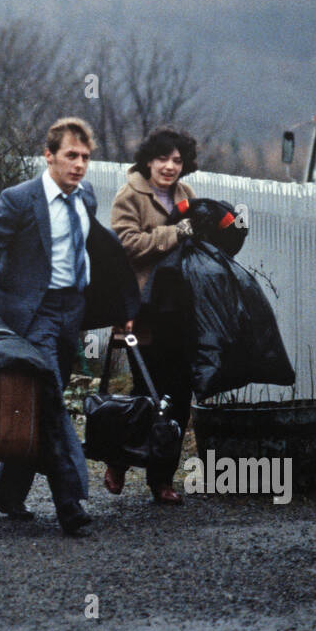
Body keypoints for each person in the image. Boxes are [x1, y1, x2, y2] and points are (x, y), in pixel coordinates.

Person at [0, 117, 137, 536]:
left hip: (70, 312)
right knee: (53, 404)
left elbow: (98, 251)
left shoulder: (87, 197)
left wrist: (120, 306)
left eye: (85, 157)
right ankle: (70, 502)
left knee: (42, 400)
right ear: (49, 156)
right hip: (30, 314)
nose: (78, 165)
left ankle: (9, 491)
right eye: (70, 156)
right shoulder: (18, 199)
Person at [106, 126, 200, 503]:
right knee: (146, 393)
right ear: (148, 160)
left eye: (177, 160)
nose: (170, 166)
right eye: (163, 158)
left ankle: (162, 479)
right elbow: (124, 244)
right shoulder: (130, 195)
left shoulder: (187, 195)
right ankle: (117, 459)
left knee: (178, 395)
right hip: (141, 312)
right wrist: (173, 235)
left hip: (178, 310)